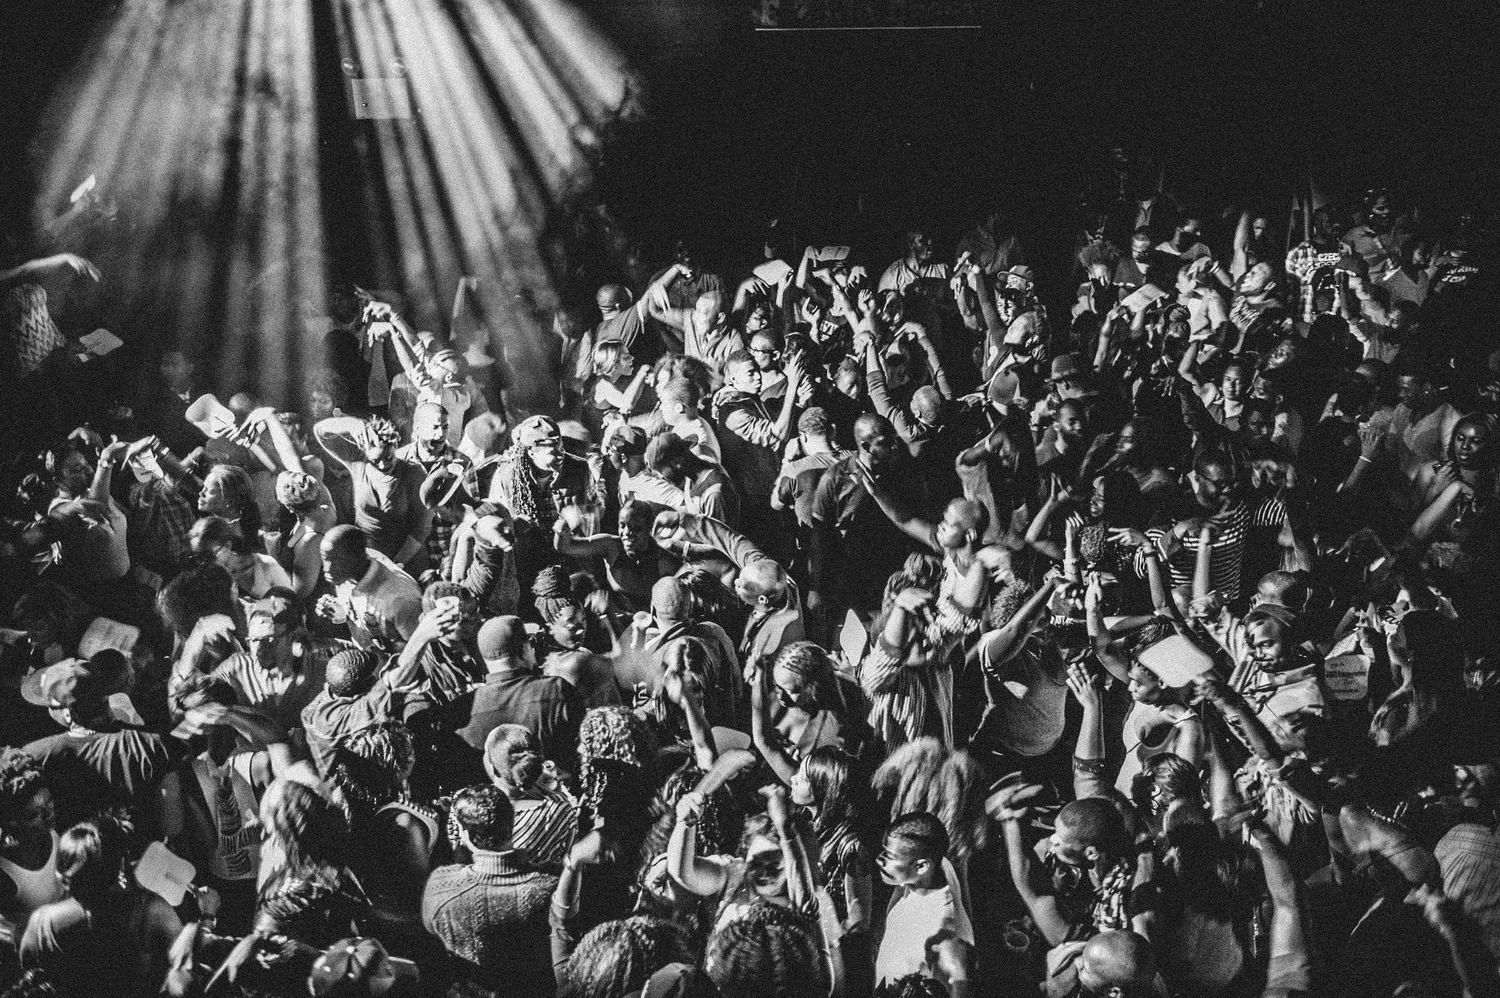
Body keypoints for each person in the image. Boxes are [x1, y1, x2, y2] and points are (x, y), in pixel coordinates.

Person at [423, 784, 560, 995]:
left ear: (466, 834)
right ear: (512, 824)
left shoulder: (441, 887)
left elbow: (430, 927)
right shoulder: (550, 887)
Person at [445, 615, 583, 775]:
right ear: (523, 651)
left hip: (492, 798)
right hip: (556, 793)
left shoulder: (460, 709)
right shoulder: (556, 690)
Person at [874, 812, 973, 997]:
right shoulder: (940, 866)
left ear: (921, 867)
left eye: (890, 856)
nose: (879, 859)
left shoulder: (939, 932)